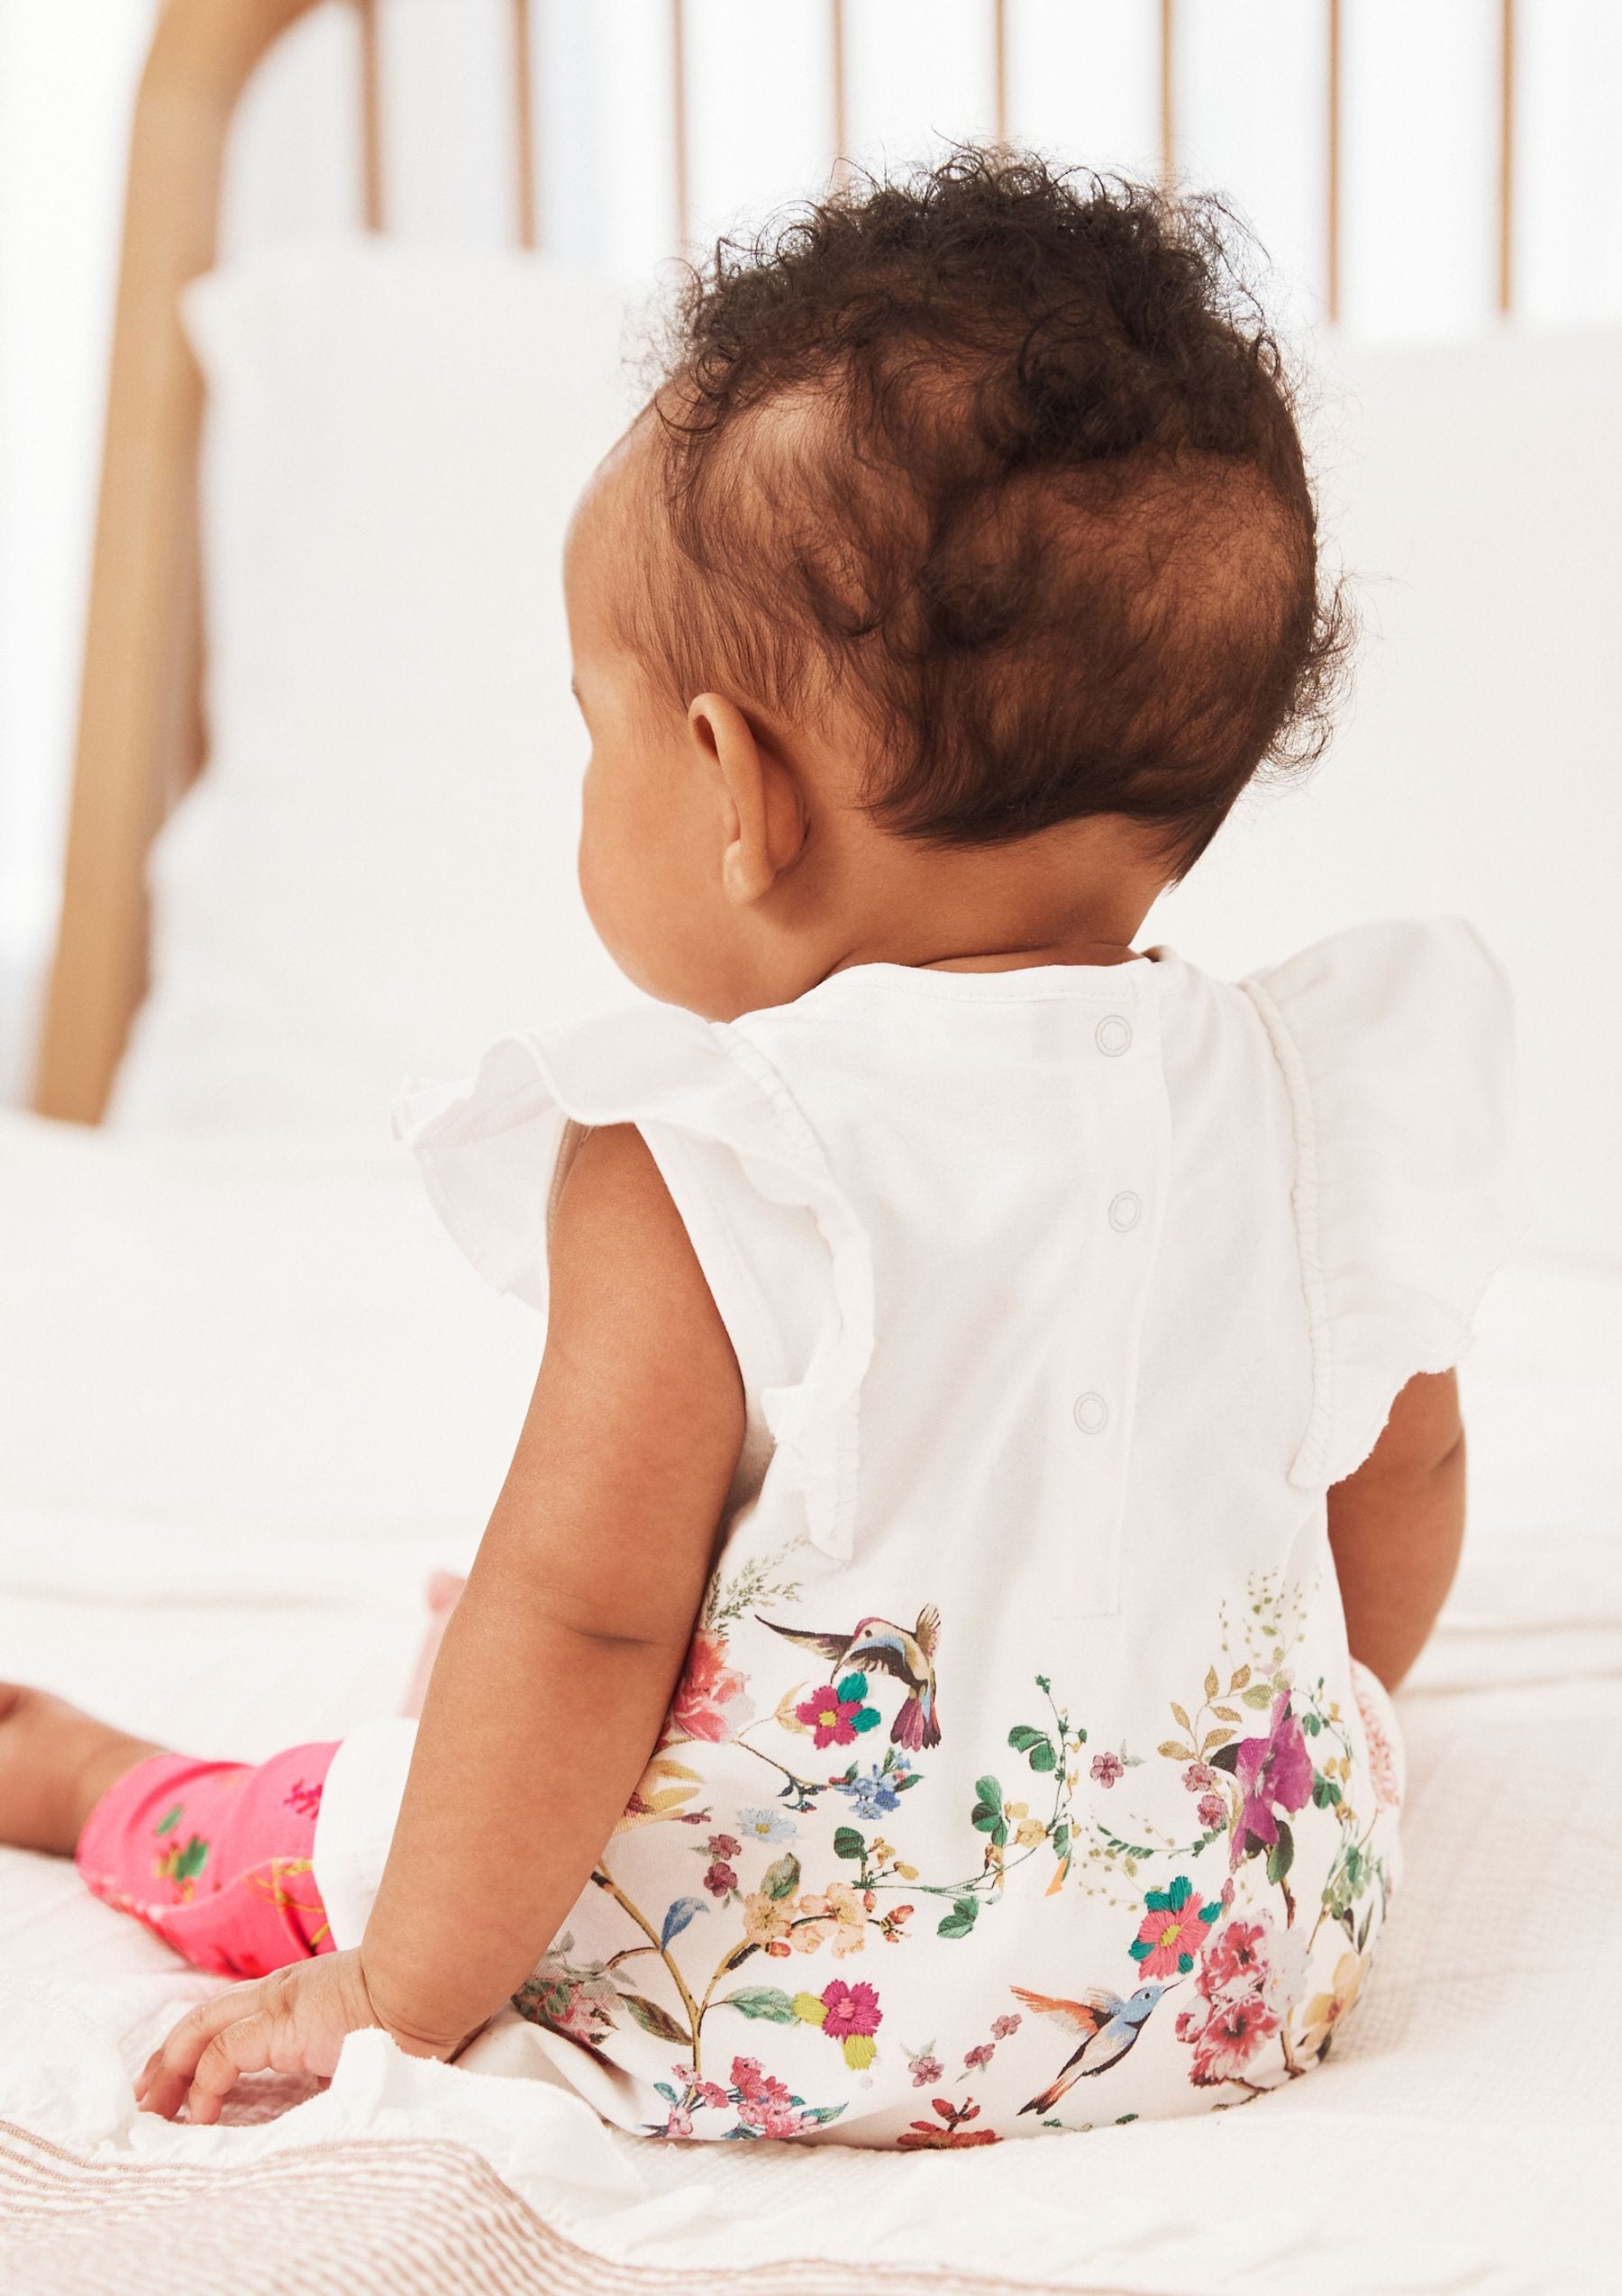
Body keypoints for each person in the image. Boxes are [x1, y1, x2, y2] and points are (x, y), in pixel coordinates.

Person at [0, 154, 1521, 2145]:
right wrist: (1249, 1736)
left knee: (364, 1790)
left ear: (730, 789)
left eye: (597, 723)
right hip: (1224, 1960)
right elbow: (1398, 1463)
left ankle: (96, 1783)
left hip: (787, 1994)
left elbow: (591, 1621)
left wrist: (401, 1988)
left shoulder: (705, 1150)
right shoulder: (1313, 1089)